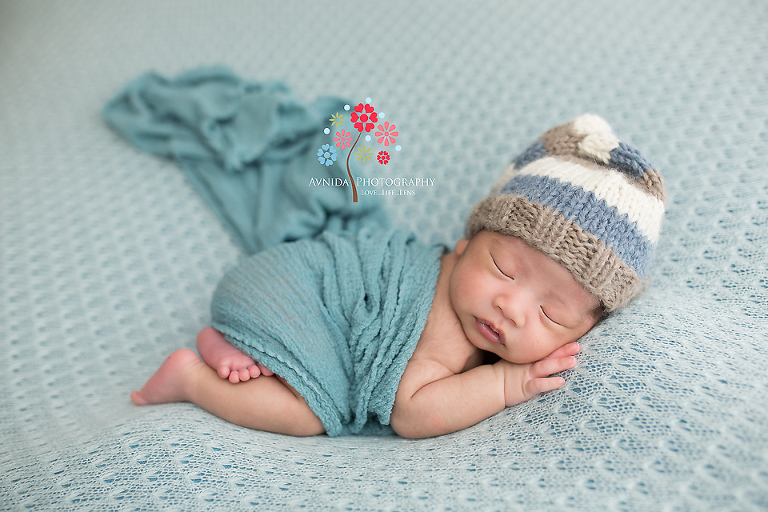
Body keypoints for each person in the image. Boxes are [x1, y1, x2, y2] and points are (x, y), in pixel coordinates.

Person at [131, 114, 666, 439]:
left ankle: (229, 342)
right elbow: (412, 411)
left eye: (551, 314)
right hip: (289, 291)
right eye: (502, 268)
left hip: (275, 285)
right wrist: (505, 382)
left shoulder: (473, 293)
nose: (512, 306)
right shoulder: (445, 326)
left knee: (312, 367)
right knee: (309, 415)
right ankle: (191, 378)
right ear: (464, 245)